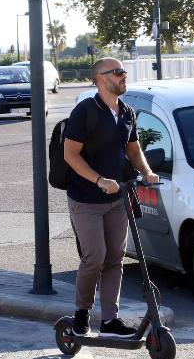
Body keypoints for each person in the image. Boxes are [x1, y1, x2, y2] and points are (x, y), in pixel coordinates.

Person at [63, 57, 160, 338]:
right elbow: (71, 155)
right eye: (117, 72)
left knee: (115, 258)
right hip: (85, 199)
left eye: (124, 71)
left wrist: (147, 172)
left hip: (118, 198)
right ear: (100, 78)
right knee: (95, 256)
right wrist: (98, 180)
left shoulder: (127, 111)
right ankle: (81, 313)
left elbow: (133, 148)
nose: (123, 75)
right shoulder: (85, 111)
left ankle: (109, 319)